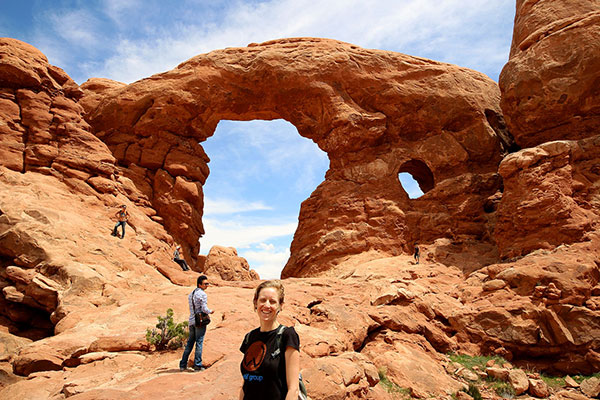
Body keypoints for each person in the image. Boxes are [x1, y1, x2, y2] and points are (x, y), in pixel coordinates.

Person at [239, 280, 300, 400]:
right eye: (262, 300)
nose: (267, 305)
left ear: (280, 306)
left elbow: (294, 389)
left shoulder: (287, 335)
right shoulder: (250, 337)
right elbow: (244, 385)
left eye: (272, 301)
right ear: (255, 303)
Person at [180, 275, 213, 371]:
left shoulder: (191, 294)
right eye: (205, 284)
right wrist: (210, 311)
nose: (207, 285)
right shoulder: (202, 294)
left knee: (190, 343)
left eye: (208, 283)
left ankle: (183, 364)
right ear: (200, 284)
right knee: (199, 342)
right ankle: (197, 365)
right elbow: (204, 308)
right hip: (200, 321)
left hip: (191, 320)